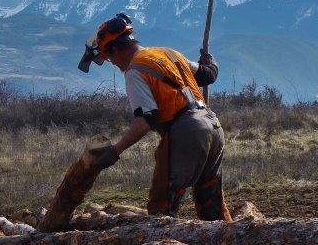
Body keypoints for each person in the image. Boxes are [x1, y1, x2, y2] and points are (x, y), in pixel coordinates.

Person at [78, 13, 232, 221]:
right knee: (210, 201)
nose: (113, 64)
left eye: (109, 58)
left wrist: (114, 151)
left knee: (162, 207)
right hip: (213, 127)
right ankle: (224, 243)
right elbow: (208, 75)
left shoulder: (135, 70)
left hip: (188, 132)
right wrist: (210, 61)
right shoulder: (168, 53)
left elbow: (145, 121)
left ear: (115, 49)